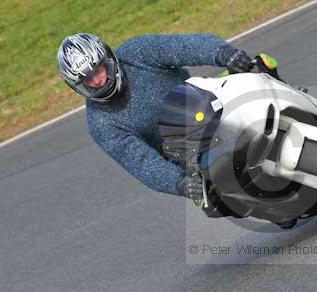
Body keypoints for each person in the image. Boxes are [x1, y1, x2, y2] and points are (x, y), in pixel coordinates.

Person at [56, 32, 253, 201]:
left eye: (98, 70)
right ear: (78, 87)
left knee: (254, 70)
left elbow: (184, 47)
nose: (98, 80)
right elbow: (142, 162)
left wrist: (223, 53)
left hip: (206, 101)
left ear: (108, 58)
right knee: (217, 198)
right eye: (88, 80)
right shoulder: (101, 123)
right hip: (186, 153)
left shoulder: (136, 52)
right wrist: (180, 183)